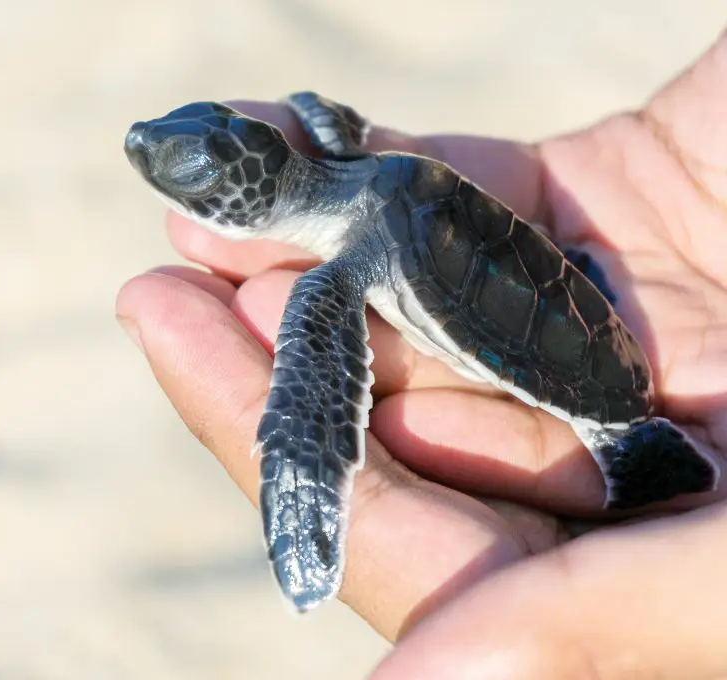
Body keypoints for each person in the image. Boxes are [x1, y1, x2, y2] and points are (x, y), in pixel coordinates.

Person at [116, 31, 727, 679]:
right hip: (575, 296)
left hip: (584, 376)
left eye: (192, 174)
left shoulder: (332, 273)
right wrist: (321, 115)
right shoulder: (371, 163)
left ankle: (633, 448)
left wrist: (306, 495)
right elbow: (332, 124)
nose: (144, 145)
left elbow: (310, 408)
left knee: (307, 341)